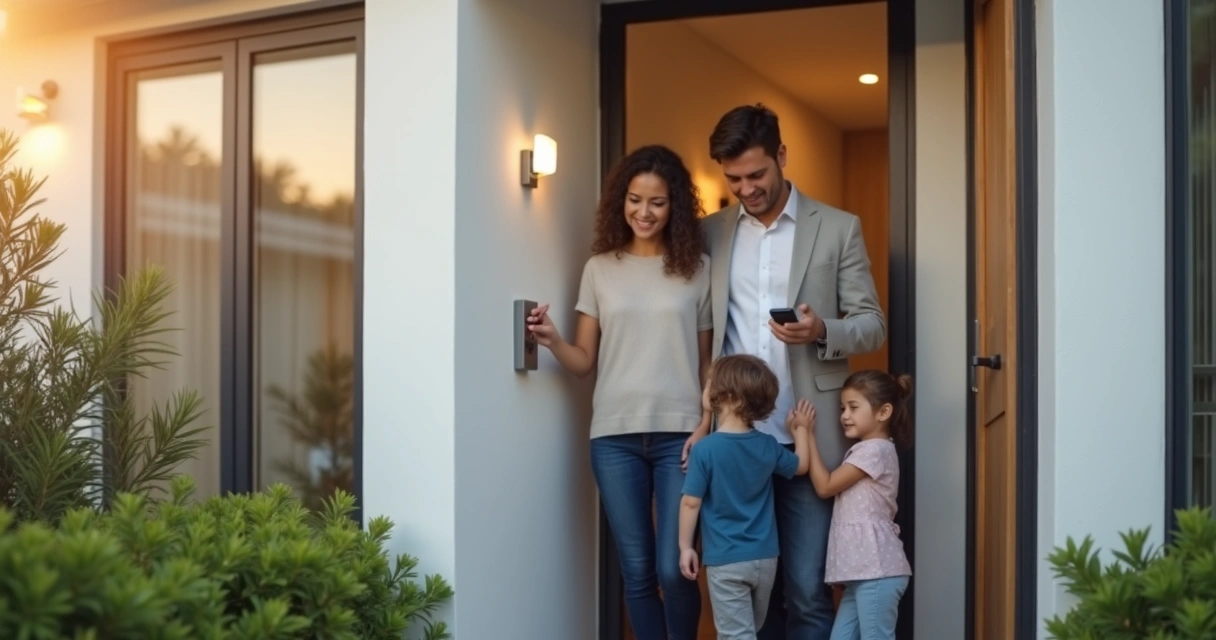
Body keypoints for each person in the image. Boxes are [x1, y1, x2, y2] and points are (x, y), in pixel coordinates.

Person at [700, 104, 886, 638]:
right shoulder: (710, 233)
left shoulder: (839, 228)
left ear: (781, 155)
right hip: (735, 443)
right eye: (733, 178)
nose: (746, 188)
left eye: (756, 174)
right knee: (742, 592)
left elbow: (873, 324)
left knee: (805, 590)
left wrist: (821, 330)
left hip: (808, 439)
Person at [527, 144, 711, 640]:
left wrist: (705, 423)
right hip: (614, 438)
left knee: (677, 568)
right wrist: (552, 340)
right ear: (620, 201)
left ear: (675, 206)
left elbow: (707, 363)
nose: (643, 212)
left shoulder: (698, 269)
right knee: (637, 572)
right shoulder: (599, 269)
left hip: (681, 437)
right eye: (634, 200)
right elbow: (584, 362)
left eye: (656, 202)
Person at [678, 354, 812, 640]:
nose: (705, 388)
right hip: (765, 559)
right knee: (750, 629)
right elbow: (800, 466)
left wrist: (685, 546)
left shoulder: (705, 450)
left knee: (736, 635)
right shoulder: (767, 445)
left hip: (726, 560)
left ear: (728, 397)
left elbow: (691, 502)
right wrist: (801, 431)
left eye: (710, 383)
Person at [798, 370, 913, 640]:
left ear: (883, 412)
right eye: (842, 408)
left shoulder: (875, 451)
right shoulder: (867, 450)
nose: (844, 416)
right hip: (864, 574)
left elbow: (825, 486)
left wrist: (807, 435)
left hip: (877, 572)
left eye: (853, 407)